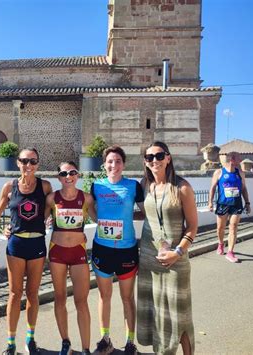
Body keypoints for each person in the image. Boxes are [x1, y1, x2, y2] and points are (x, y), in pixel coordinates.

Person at [0, 147, 52, 355]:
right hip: (16, 245)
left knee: (32, 294)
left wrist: (51, 219)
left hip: (37, 245)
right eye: (25, 161)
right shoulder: (9, 187)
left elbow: (55, 208)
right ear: (18, 163)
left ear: (38, 164)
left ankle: (30, 338)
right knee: (15, 294)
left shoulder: (45, 186)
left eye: (33, 161)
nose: (29, 165)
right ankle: (11, 343)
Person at [137, 141, 198, 355]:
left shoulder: (182, 187)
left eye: (159, 156)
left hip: (175, 261)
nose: (155, 160)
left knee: (179, 315)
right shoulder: (144, 185)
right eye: (149, 157)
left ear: (168, 158)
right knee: (157, 313)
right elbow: (147, 216)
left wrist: (177, 252)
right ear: (145, 161)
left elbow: (192, 226)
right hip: (149, 259)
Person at [90, 145, 145, 355]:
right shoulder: (96, 186)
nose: (114, 165)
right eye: (110, 162)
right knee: (104, 296)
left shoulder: (132, 186)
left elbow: (144, 211)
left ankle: (130, 343)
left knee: (127, 298)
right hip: (102, 249)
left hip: (126, 251)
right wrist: (99, 221)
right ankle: (105, 339)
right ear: (104, 165)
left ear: (124, 164)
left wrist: (126, 220)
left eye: (118, 161)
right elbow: (89, 207)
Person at [44, 161, 97, 355]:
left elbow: (100, 219)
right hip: (57, 252)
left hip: (78, 253)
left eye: (72, 172)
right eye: (64, 173)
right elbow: (37, 220)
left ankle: (85, 348)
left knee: (81, 302)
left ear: (78, 175)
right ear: (59, 178)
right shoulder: (51, 198)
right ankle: (65, 342)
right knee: (60, 299)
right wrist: (10, 229)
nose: (68, 176)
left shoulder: (87, 199)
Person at [208, 151, 251, 263]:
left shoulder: (240, 173)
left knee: (233, 226)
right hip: (223, 203)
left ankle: (230, 252)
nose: (240, 161)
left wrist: (247, 203)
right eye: (238, 158)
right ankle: (221, 243)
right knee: (220, 228)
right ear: (232, 159)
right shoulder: (219, 172)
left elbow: (244, 189)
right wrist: (210, 202)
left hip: (236, 204)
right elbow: (212, 188)